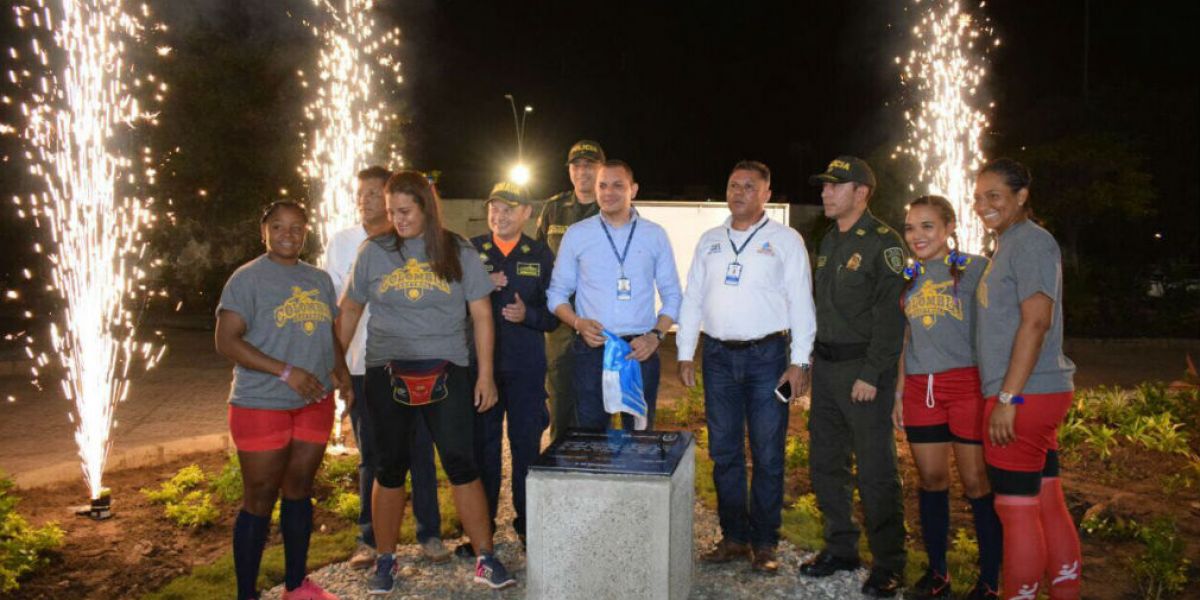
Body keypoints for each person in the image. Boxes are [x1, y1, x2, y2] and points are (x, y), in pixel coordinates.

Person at [336, 171, 515, 594]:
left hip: (448, 369)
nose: (396, 219)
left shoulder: (457, 250)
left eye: (405, 211)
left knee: (461, 463)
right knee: (389, 467)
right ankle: (386, 558)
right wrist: (336, 367)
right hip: (386, 371)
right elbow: (349, 311)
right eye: (391, 211)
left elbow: (482, 314)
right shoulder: (373, 252)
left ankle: (485, 557)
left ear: (426, 206)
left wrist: (485, 374)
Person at [676, 161, 816, 574]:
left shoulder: (786, 240)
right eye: (733, 185)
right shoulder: (710, 240)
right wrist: (686, 351)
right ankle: (734, 536)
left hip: (769, 360)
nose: (738, 193)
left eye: (749, 187)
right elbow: (692, 299)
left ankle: (765, 541)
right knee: (724, 453)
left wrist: (800, 361)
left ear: (766, 194)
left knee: (769, 453)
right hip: (718, 358)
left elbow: (801, 303)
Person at [215, 201, 349, 600]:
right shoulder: (247, 279)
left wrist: (341, 373)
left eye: (296, 227)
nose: (288, 234)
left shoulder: (319, 279)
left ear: (306, 231)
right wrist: (286, 371)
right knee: (259, 497)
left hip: (314, 401)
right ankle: (246, 594)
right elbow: (226, 341)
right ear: (264, 232)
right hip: (260, 403)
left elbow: (329, 334)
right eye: (278, 226)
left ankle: (295, 585)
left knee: (299, 489)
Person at [323, 167, 449, 570]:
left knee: (420, 450)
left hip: (414, 362)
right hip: (363, 367)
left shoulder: (411, 242)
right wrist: (337, 367)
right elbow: (337, 309)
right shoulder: (342, 243)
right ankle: (370, 538)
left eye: (375, 193)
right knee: (373, 456)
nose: (367, 200)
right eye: (361, 193)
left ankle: (429, 533)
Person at [973, 158, 1081, 599]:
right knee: (1047, 502)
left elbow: (1036, 322)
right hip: (1038, 394)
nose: (983, 205)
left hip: (1023, 397)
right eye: (978, 197)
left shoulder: (1030, 243)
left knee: (1014, 510)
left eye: (994, 196)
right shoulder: (1010, 243)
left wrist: (1007, 398)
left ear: (1022, 196)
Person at [801, 156, 907, 597]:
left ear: (861, 193)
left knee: (875, 470)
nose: (825, 192)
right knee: (826, 464)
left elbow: (890, 319)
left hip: (863, 373)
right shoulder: (829, 240)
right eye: (824, 185)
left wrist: (870, 373)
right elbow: (821, 309)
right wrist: (807, 364)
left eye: (835, 185)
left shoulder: (884, 243)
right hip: (826, 370)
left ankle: (890, 562)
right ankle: (841, 547)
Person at [891, 196, 1001, 599]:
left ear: (950, 227)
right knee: (932, 480)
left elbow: (1000, 326)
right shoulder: (906, 275)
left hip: (967, 385)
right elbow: (904, 337)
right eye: (910, 227)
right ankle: (938, 574)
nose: (917, 236)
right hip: (922, 388)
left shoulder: (975, 269)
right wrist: (900, 391)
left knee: (975, 482)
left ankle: (989, 580)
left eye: (927, 226)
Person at [547, 159, 682, 430]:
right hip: (592, 350)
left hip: (639, 352)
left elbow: (674, 296)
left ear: (633, 189)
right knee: (592, 437)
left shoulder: (654, 235)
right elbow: (556, 294)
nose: (609, 192)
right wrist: (577, 323)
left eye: (617, 185)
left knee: (640, 437)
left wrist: (655, 336)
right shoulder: (577, 235)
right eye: (602, 185)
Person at [470, 182, 557, 548]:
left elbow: (556, 313)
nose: (500, 215)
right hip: (480, 371)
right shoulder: (471, 251)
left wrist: (529, 315)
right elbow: (447, 303)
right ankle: (481, 531)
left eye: (509, 208)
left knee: (525, 449)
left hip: (525, 369)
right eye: (495, 208)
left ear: (527, 213)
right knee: (483, 450)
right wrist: (478, 283)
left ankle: (527, 527)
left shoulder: (540, 253)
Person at [536, 139, 605, 441]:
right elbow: (538, 260)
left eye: (590, 165)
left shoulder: (615, 206)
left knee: (598, 401)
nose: (582, 171)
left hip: (601, 320)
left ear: (602, 168)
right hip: (560, 322)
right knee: (561, 397)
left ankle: (597, 469)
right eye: (577, 165)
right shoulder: (554, 208)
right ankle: (558, 468)